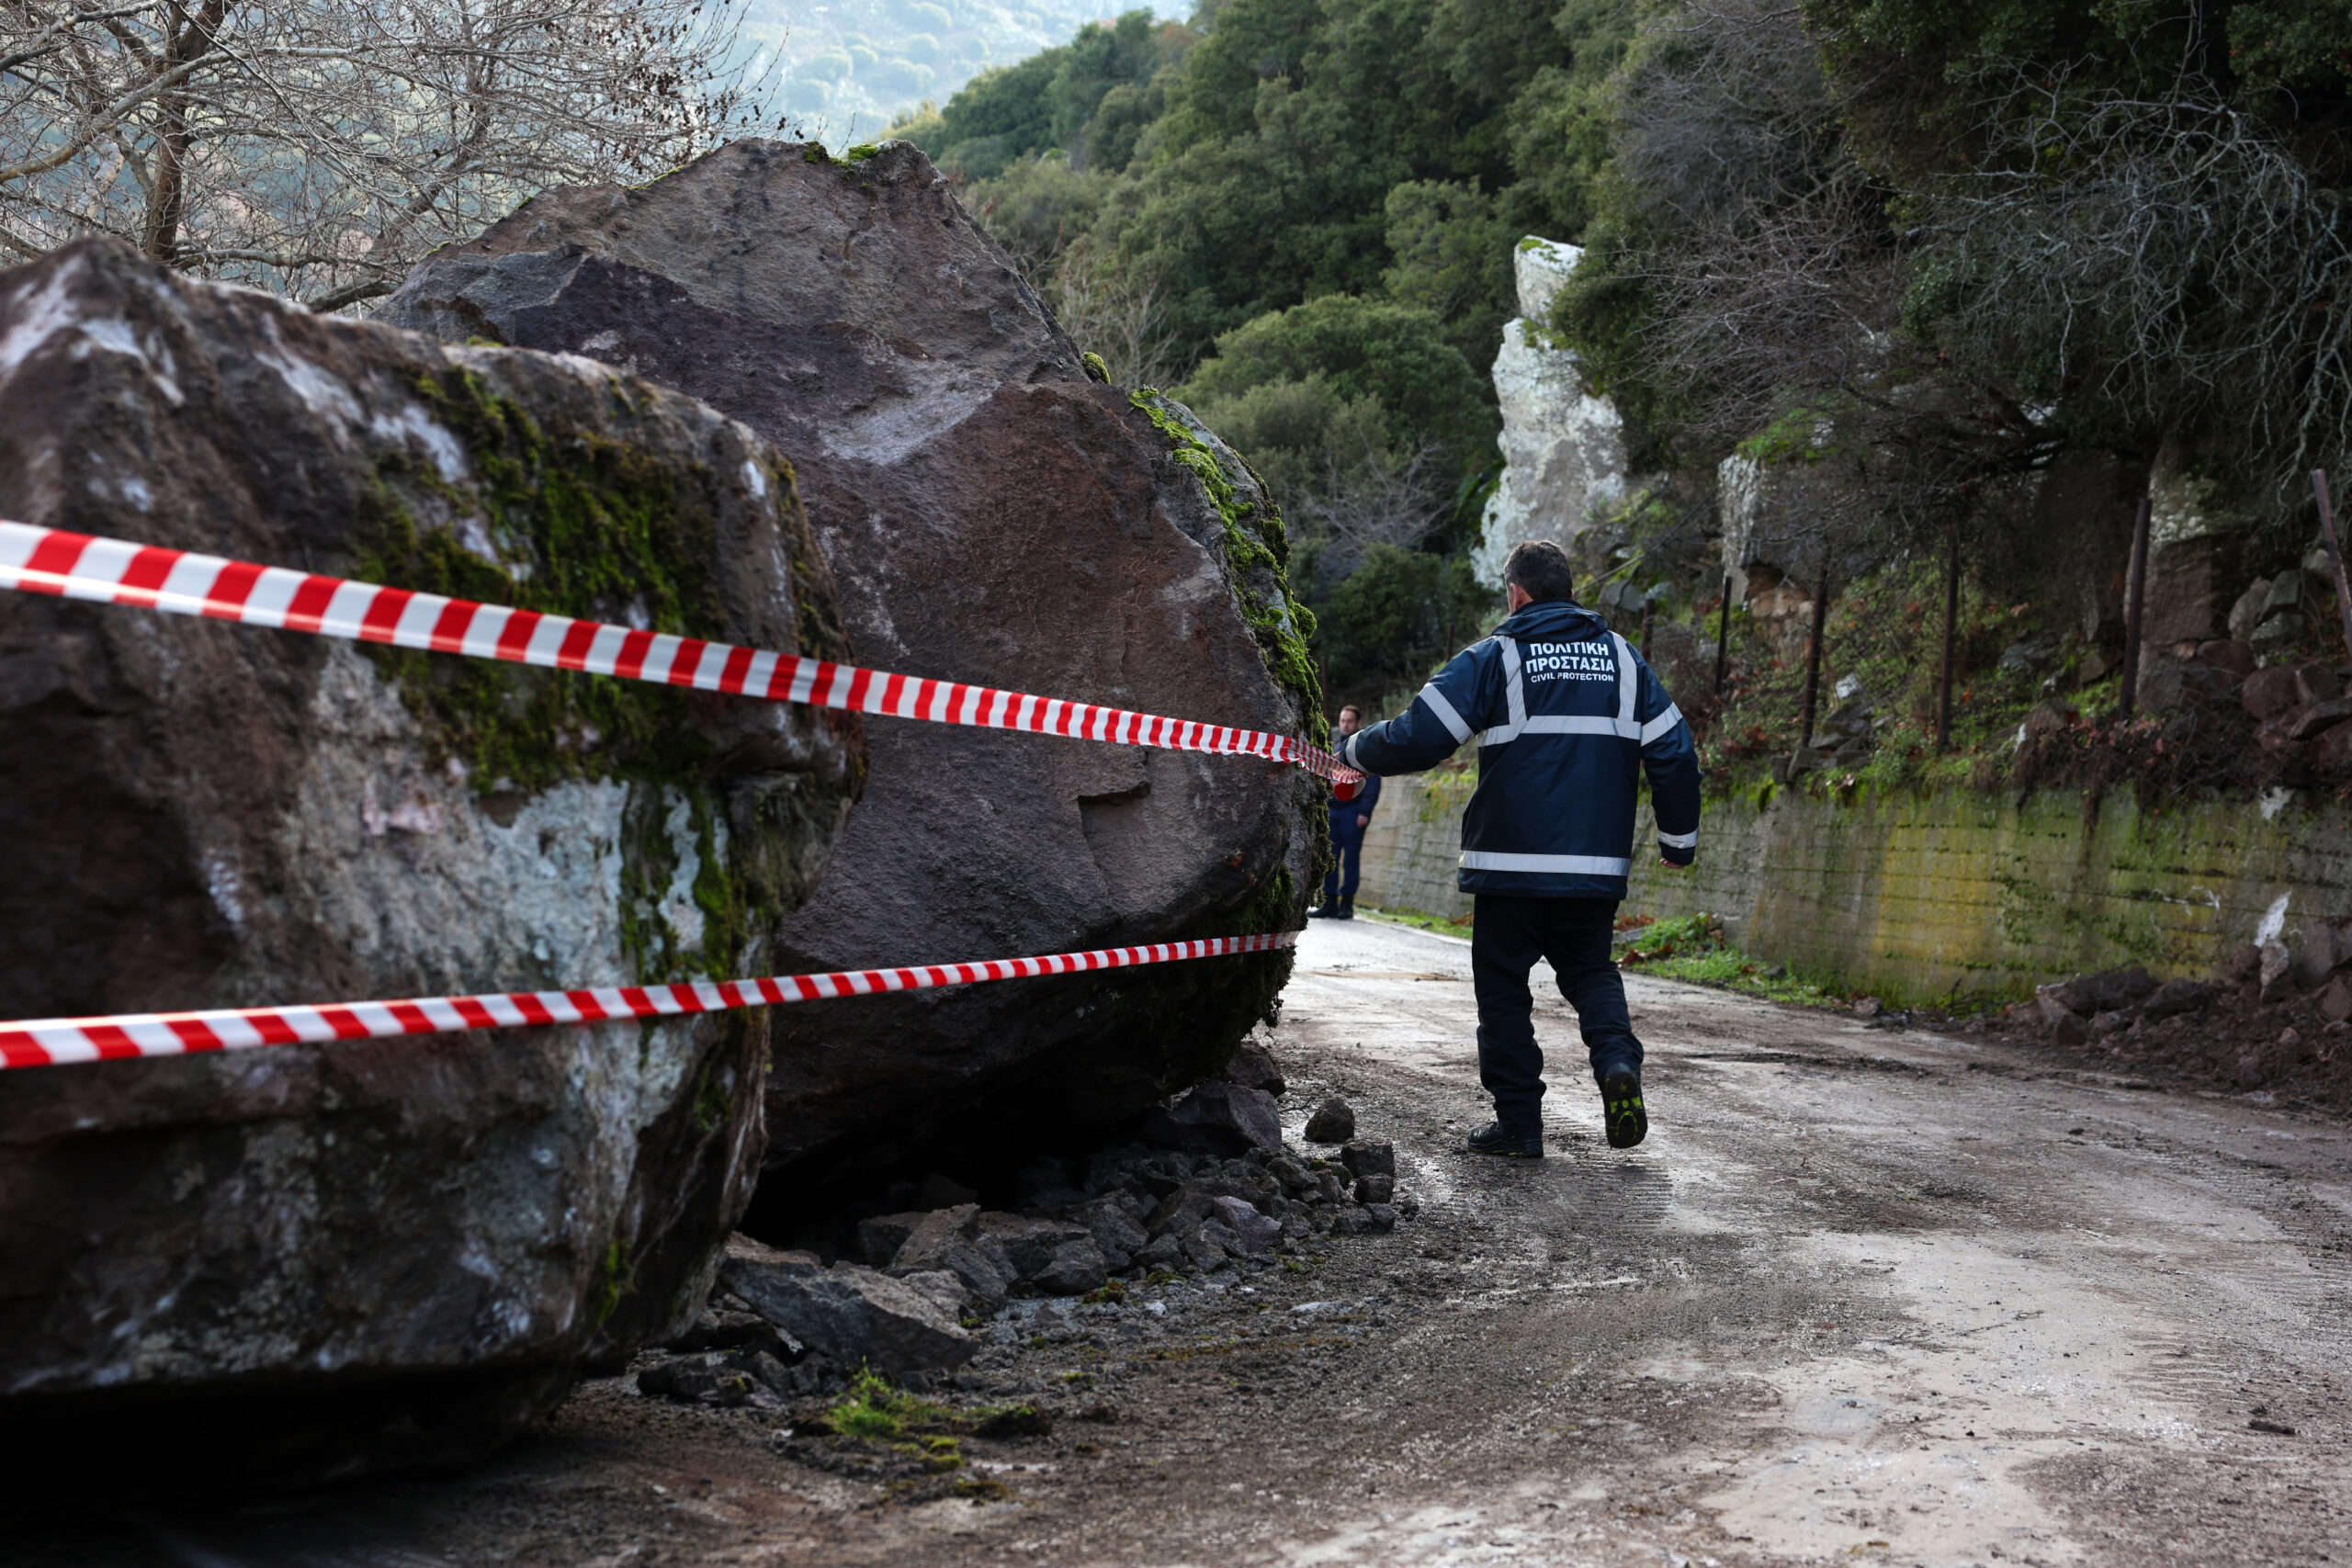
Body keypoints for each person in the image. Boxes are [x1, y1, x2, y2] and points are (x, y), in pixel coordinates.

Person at [1338, 539, 1700, 1156]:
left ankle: (1520, 1126)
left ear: (1517, 593)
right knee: (1589, 972)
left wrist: (1349, 752)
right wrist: (1678, 840)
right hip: (1592, 870)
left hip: (1508, 866)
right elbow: (1674, 753)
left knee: (1504, 988)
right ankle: (1618, 1065)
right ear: (1570, 590)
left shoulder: (1498, 655)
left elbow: (1421, 734)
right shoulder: (1624, 660)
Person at [1309, 705, 1382, 920]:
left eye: (1349, 721)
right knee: (1329, 858)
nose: (1345, 725)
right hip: (1334, 811)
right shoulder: (1335, 749)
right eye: (1342, 721)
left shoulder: (1364, 751)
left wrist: (1365, 812)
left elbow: (1373, 783)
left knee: (1350, 860)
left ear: (1358, 723)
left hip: (1353, 812)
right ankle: (1329, 903)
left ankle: (1347, 904)